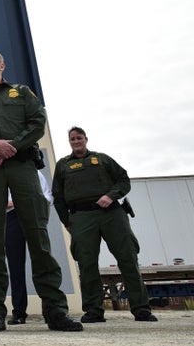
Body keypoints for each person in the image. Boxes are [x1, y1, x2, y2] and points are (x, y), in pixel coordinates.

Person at [0, 48, 82, 332]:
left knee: (38, 237)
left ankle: (55, 311)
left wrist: (10, 147)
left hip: (23, 168)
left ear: (2, 65)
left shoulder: (22, 93)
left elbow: (37, 123)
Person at [52, 126, 157, 323]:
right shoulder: (63, 165)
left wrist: (111, 195)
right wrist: (67, 222)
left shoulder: (102, 159)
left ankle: (141, 309)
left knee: (128, 258)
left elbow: (124, 180)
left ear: (86, 139)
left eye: (79, 138)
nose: (76, 142)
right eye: (72, 139)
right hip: (81, 217)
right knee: (86, 263)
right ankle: (94, 310)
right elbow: (58, 197)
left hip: (112, 214)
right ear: (69, 142)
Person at [5, 170, 53, 325]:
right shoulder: (1, 173)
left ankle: (51, 310)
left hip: (33, 216)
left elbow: (47, 196)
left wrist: (26, 203)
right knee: (15, 266)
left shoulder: (33, 171)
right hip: (11, 218)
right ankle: (19, 312)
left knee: (42, 262)